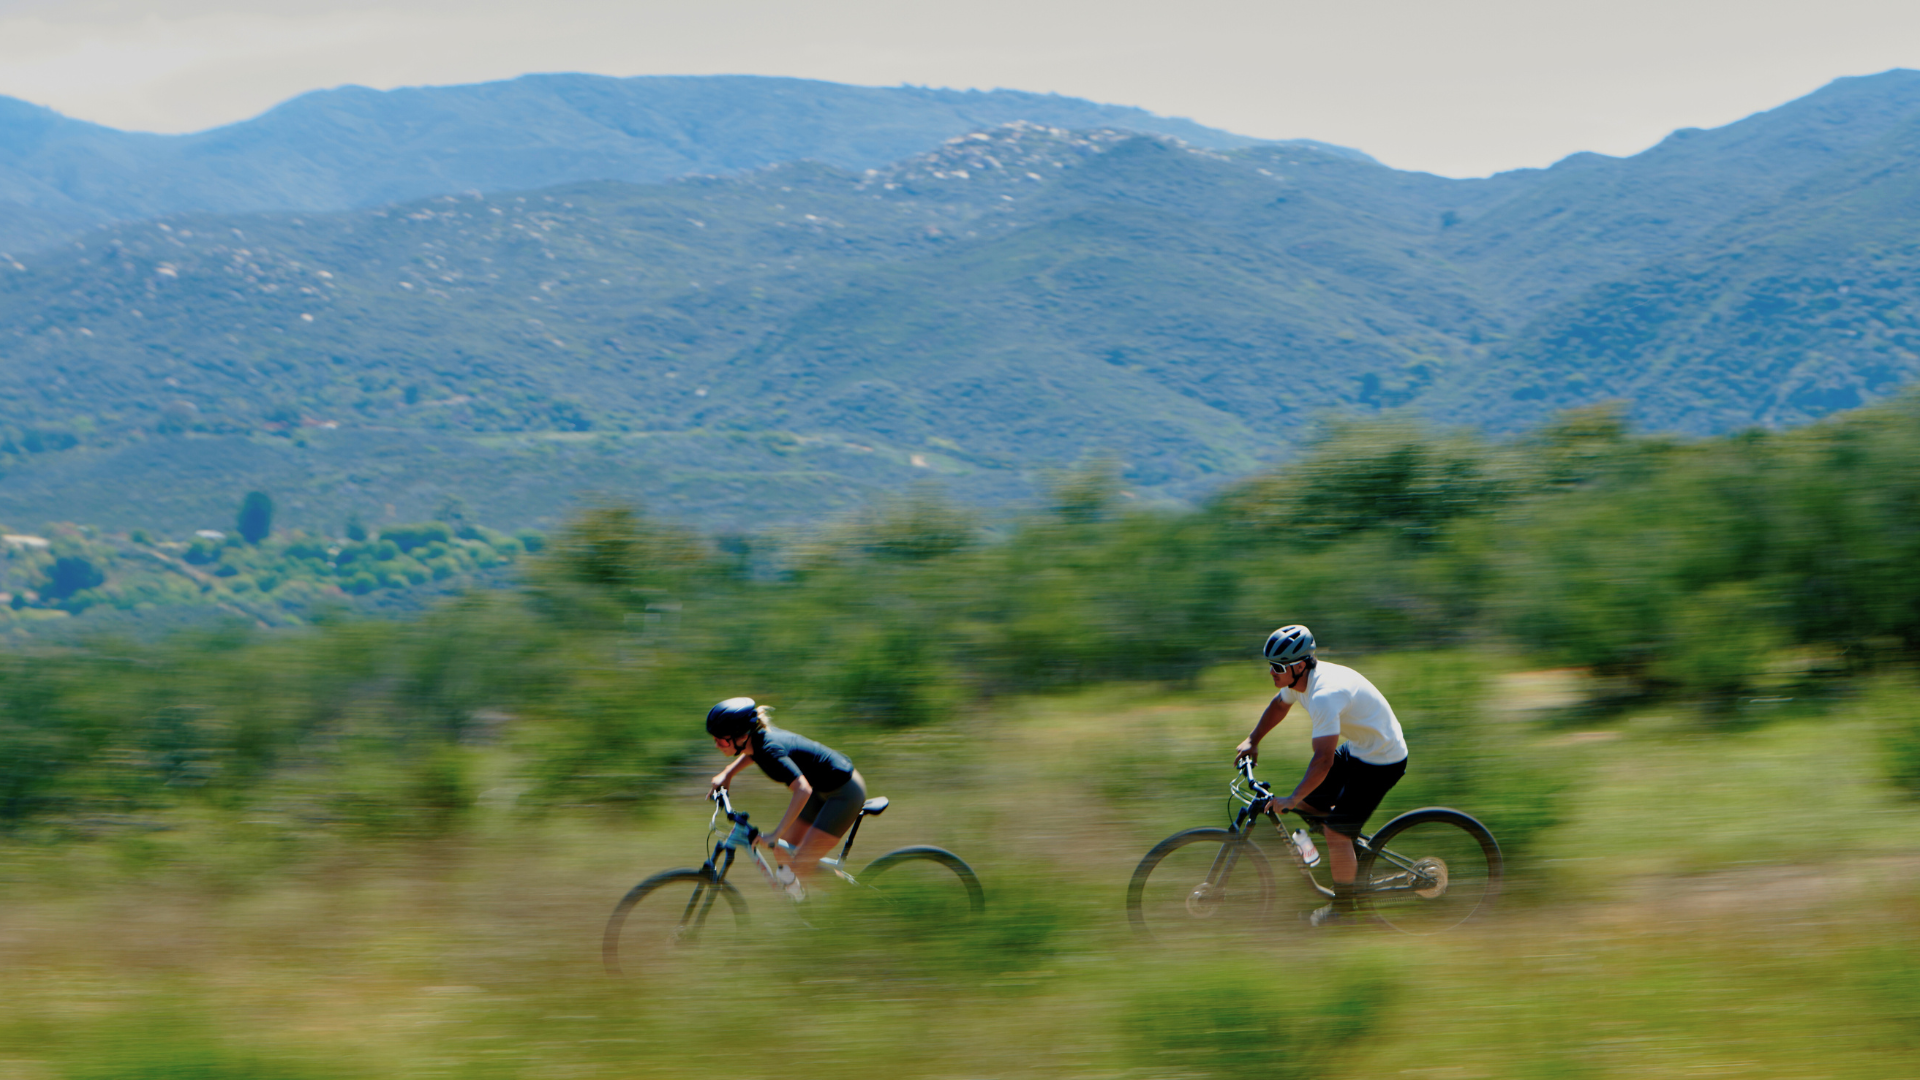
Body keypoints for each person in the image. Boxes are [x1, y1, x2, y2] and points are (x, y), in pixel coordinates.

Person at [1234, 624, 1408, 926]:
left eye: (1277, 667)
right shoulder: (1298, 682)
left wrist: (1290, 798)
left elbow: (1323, 761)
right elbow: (1279, 706)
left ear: (1299, 665)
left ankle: (1344, 911)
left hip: (1383, 760)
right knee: (1309, 806)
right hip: (1359, 750)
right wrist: (1253, 740)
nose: (1272, 672)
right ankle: (1348, 853)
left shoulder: (1324, 695)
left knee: (1334, 832)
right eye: (1270, 666)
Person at [706, 697, 866, 898]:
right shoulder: (755, 742)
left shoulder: (770, 749)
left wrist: (776, 833)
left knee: (801, 865)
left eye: (720, 740)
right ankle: (802, 909)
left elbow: (802, 790)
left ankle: (859, 900)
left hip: (844, 792)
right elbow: (752, 754)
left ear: (741, 736)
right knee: (782, 851)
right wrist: (728, 773)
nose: (716, 745)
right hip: (821, 788)